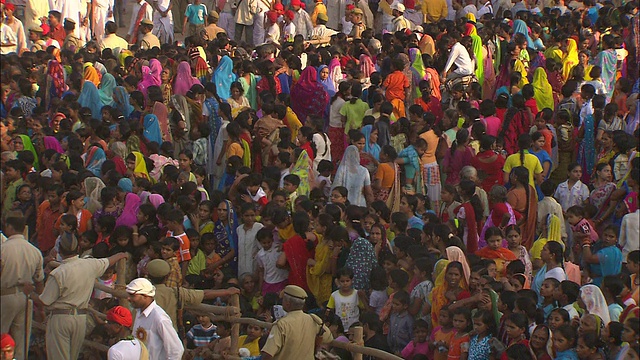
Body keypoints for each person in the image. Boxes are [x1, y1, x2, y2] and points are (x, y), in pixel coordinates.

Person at [23, 233, 128, 360]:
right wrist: (120, 255)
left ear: (60, 250)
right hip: (80, 318)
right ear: (78, 249)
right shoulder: (89, 264)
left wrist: (30, 292)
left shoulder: (59, 273)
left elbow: (44, 301)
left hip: (61, 318)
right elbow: (107, 261)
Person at [1, 216, 44, 360]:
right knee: (21, 340)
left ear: (9, 227)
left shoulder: (3, 249)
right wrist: (40, 304)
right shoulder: (34, 250)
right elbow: (39, 281)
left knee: (2, 337)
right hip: (25, 296)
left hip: (5, 295)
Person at [261, 285, 333, 359]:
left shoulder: (282, 324)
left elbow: (268, 354)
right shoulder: (313, 319)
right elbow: (329, 338)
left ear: (287, 303)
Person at [126, 277, 184, 359]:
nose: (128, 298)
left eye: (132, 295)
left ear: (145, 295)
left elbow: (176, 350)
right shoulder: (138, 312)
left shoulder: (160, 318)